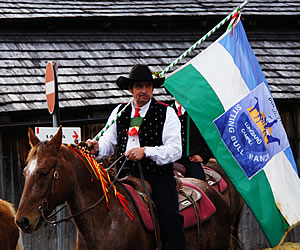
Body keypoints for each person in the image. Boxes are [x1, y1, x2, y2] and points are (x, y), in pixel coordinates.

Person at [87, 64, 186, 250]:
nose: (144, 91)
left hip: (157, 176)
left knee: (170, 217)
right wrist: (97, 147)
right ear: (130, 89)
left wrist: (146, 151)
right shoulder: (119, 112)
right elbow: (108, 142)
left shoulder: (167, 112)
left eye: (148, 86)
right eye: (139, 86)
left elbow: (175, 150)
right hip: (123, 176)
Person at [172, 99, 213, 180]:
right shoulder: (165, 111)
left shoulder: (199, 112)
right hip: (167, 160)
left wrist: (203, 155)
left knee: (200, 181)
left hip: (191, 161)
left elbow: (211, 136)